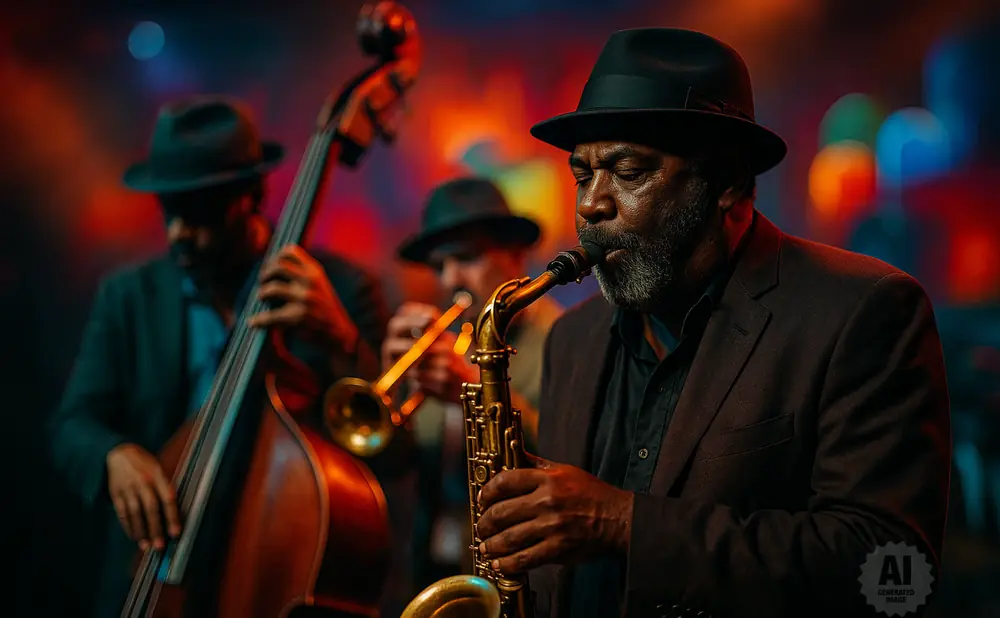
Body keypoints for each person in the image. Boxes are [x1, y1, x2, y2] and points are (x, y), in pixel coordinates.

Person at [471, 28, 952, 618]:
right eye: (582, 174)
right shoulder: (574, 339)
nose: (590, 204)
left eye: (627, 170)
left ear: (725, 181)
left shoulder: (866, 310)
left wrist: (623, 523)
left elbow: (893, 572)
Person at [48, 96, 396, 617]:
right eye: (170, 211)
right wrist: (112, 454)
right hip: (150, 579)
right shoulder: (129, 295)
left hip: (271, 572)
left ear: (251, 195)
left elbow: (394, 447)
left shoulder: (341, 288)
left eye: (200, 213)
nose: (178, 232)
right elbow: (73, 422)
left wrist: (341, 339)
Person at [382, 177, 562, 589]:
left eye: (465, 258)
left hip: (524, 576)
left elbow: (567, 458)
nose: (449, 280)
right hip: (432, 569)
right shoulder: (446, 345)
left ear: (516, 254)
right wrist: (390, 389)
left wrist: (474, 393)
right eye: (439, 266)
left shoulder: (564, 340)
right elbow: (395, 465)